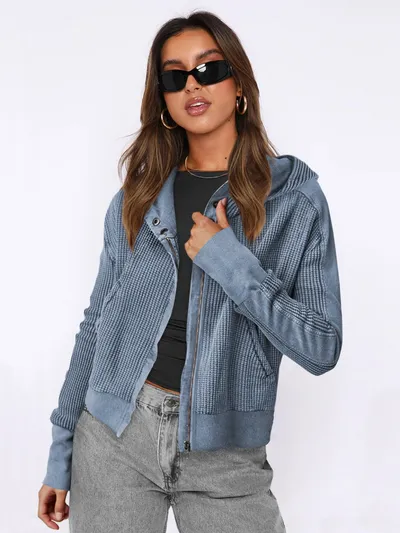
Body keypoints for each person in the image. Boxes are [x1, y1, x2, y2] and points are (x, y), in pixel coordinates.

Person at [37, 10, 343, 533]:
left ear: (239, 84)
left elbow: (321, 346)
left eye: (209, 68)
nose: (192, 85)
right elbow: (97, 324)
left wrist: (230, 261)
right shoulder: (137, 198)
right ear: (163, 99)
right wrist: (61, 451)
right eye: (175, 76)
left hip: (225, 455)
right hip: (114, 439)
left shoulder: (294, 200)